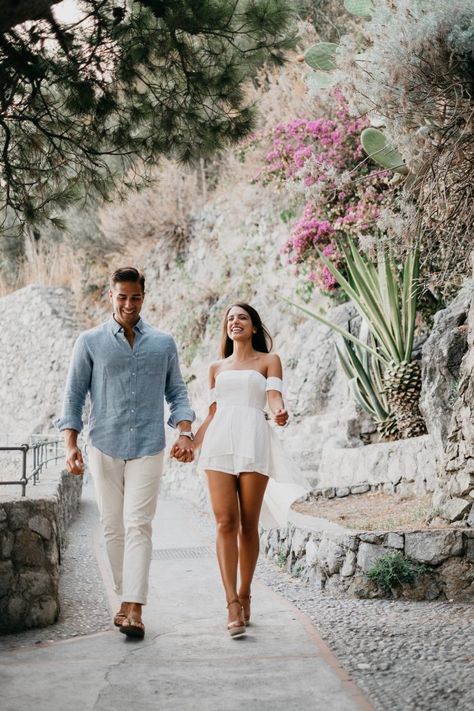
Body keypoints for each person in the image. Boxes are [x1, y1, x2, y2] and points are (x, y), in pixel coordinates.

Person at [56, 267, 195, 639]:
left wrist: (185, 431)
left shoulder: (163, 343)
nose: (128, 304)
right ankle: (125, 597)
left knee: (138, 524)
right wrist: (71, 444)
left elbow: (177, 393)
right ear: (111, 296)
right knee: (113, 526)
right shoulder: (89, 341)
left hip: (149, 446)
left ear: (143, 297)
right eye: (122, 297)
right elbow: (73, 396)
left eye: (135, 297)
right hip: (104, 445)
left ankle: (134, 607)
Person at [192, 302, 296, 638]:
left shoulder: (269, 360)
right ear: (226, 328)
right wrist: (191, 443)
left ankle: (246, 590)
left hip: (254, 440)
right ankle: (231, 604)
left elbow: (275, 397)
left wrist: (279, 412)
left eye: (243, 317)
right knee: (225, 521)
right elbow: (210, 413)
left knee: (248, 524)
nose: (235, 322)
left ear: (253, 327)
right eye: (230, 318)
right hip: (219, 443)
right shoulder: (215, 367)